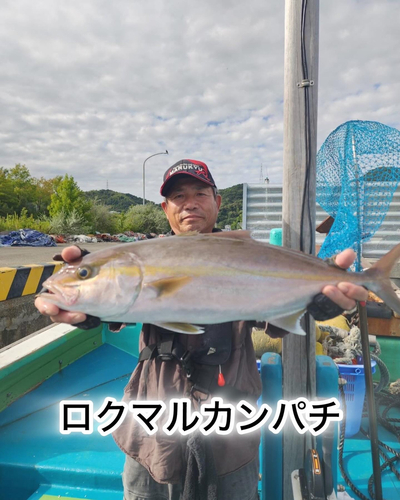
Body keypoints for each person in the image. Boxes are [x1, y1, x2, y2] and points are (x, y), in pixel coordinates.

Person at [35, 159, 368, 500]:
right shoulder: (145, 256)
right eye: (178, 196)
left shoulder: (246, 254)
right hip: (154, 429)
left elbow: (275, 321)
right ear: (165, 208)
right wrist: (89, 300)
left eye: (199, 193)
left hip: (228, 430)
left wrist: (314, 301)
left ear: (217, 202)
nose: (189, 203)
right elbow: (118, 302)